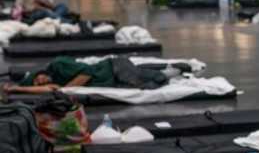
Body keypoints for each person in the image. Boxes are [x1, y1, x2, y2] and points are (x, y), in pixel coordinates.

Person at [2, 56, 167, 95]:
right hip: (113, 80)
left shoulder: (59, 65)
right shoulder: (54, 83)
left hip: (113, 67)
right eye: (38, 83)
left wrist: (66, 88)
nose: (40, 81)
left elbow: (87, 72)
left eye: (38, 78)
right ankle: (168, 70)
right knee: (139, 83)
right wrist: (17, 88)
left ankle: (170, 70)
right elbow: (45, 89)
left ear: (41, 72)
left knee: (149, 82)